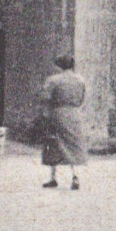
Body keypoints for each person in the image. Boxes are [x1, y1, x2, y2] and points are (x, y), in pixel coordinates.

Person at [39, 54, 87, 189]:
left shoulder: (53, 80)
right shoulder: (80, 80)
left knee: (53, 144)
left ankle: (53, 178)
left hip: (57, 114)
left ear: (59, 66)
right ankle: (75, 176)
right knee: (73, 146)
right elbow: (82, 98)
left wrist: (45, 113)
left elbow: (45, 98)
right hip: (74, 114)